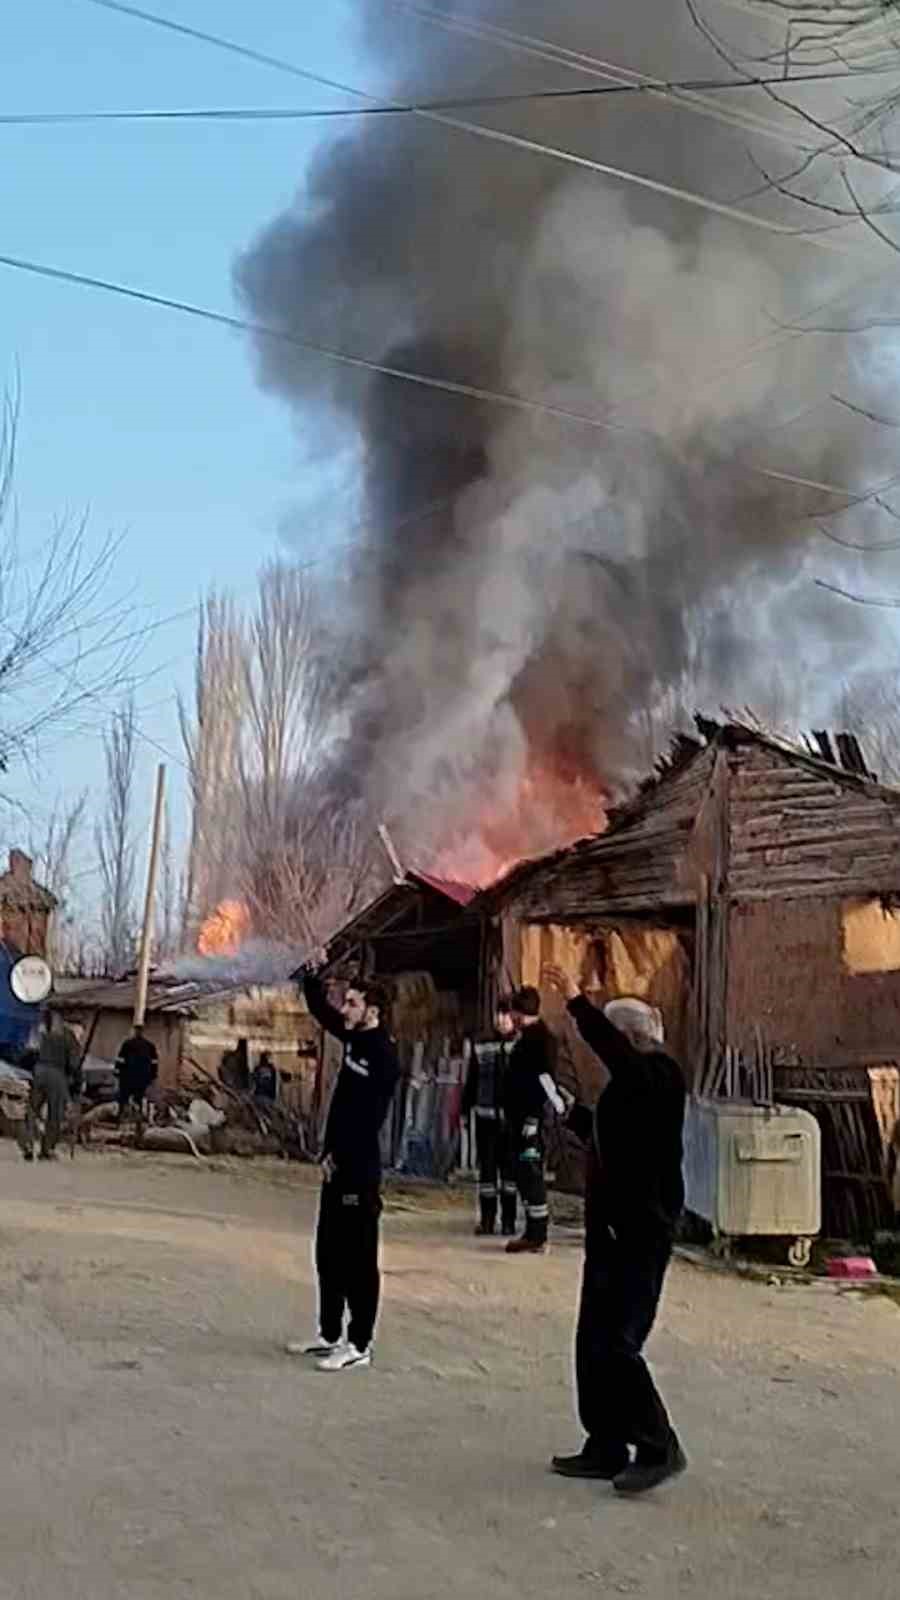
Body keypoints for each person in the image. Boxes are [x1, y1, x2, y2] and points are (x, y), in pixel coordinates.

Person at [543, 965, 687, 1496]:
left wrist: (578, 1002)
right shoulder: (627, 1088)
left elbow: (622, 1062)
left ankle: (659, 1445)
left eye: (611, 1036)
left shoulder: (660, 1076)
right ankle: (605, 1444)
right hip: (607, 1233)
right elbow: (612, 1139)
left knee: (621, 1345)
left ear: (629, 1037)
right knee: (593, 1344)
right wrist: (573, 1115)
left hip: (641, 1234)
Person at [288, 963, 400, 1372]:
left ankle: (359, 1344)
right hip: (335, 1167)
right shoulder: (354, 1037)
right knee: (328, 1253)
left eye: (353, 1003)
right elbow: (322, 1010)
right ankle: (329, 1333)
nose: (345, 1009)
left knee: (358, 1260)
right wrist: (311, 976)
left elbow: (367, 1120)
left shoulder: (383, 1056)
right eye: (347, 1002)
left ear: (373, 1011)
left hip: (359, 1170)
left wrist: (342, 1156)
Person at [504, 985, 565, 1255]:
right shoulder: (528, 1038)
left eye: (513, 1013)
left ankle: (538, 1234)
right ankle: (532, 1230)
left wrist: (533, 1118)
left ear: (519, 1012)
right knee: (522, 1172)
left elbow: (544, 1082)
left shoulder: (540, 1040)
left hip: (532, 1121)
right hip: (520, 1118)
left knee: (531, 1172)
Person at [462, 998, 518, 1237]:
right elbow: (472, 1079)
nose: (502, 1020)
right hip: (485, 1116)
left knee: (509, 1173)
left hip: (511, 1120)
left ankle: (508, 1220)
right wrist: (465, 1109)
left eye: (507, 1015)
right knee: (487, 1171)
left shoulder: (520, 1046)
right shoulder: (482, 1045)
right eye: (499, 1015)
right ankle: (487, 1219)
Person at [22, 1009, 82, 1161]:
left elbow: (30, 1052)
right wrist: (76, 1082)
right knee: (55, 1114)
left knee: (32, 1110)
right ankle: (47, 1149)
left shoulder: (45, 1034)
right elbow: (74, 1064)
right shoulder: (70, 1037)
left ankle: (27, 1143)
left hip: (39, 1071)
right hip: (56, 1074)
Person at [115, 1023, 159, 1121]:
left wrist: (117, 1073)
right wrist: (153, 1076)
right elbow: (154, 1063)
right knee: (138, 1098)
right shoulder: (149, 1046)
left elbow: (120, 1060)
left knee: (124, 1098)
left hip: (128, 1077)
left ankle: (122, 1116)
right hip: (141, 1078)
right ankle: (136, 1119)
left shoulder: (127, 1044)